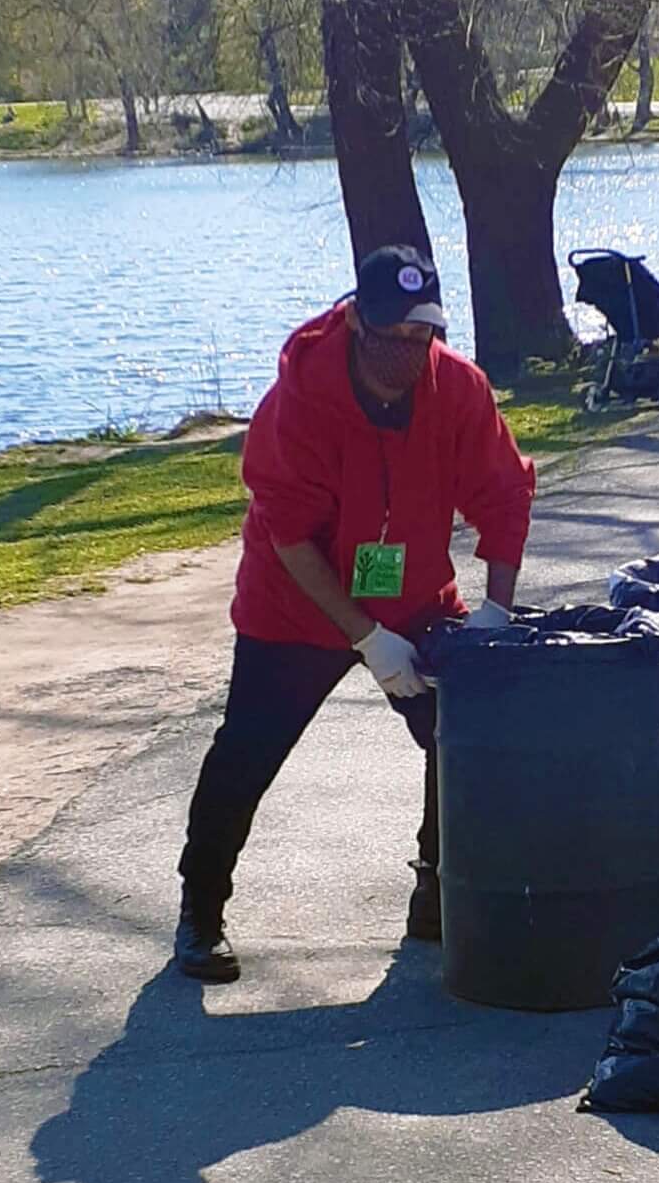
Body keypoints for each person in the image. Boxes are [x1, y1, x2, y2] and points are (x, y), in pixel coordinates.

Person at [174, 246, 537, 983]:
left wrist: (495, 610)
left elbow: (505, 493)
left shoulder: (459, 390)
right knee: (245, 753)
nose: (410, 351)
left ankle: (438, 886)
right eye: (394, 334)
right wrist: (367, 638)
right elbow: (288, 535)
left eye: (423, 335)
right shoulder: (300, 400)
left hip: (414, 592)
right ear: (357, 319)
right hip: (296, 605)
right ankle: (200, 912)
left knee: (462, 732)